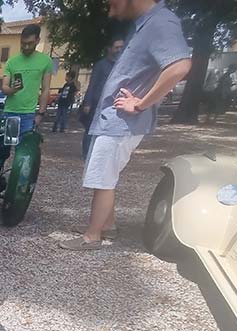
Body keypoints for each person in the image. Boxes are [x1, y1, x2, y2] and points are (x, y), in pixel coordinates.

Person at [59, 0, 191, 251]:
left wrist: (141, 104)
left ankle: (92, 236)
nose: (109, 8)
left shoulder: (161, 22)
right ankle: (106, 225)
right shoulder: (146, 24)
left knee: (103, 178)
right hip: (114, 121)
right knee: (107, 176)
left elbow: (180, 66)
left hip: (122, 122)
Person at [0, 24, 53, 175]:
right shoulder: (13, 62)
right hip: (10, 112)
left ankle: (17, 183)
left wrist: (41, 113)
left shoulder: (45, 61)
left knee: (23, 153)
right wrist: (13, 90)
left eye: (29, 43)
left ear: (38, 40)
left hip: (28, 114)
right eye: (23, 43)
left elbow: (45, 89)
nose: (25, 47)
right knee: (3, 149)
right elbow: (4, 87)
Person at [80, 36, 125, 158]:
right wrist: (88, 103)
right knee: (91, 130)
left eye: (121, 47)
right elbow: (92, 83)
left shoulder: (123, 65)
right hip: (97, 104)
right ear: (109, 49)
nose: (119, 50)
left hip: (114, 105)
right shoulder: (101, 65)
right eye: (117, 47)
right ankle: (87, 155)